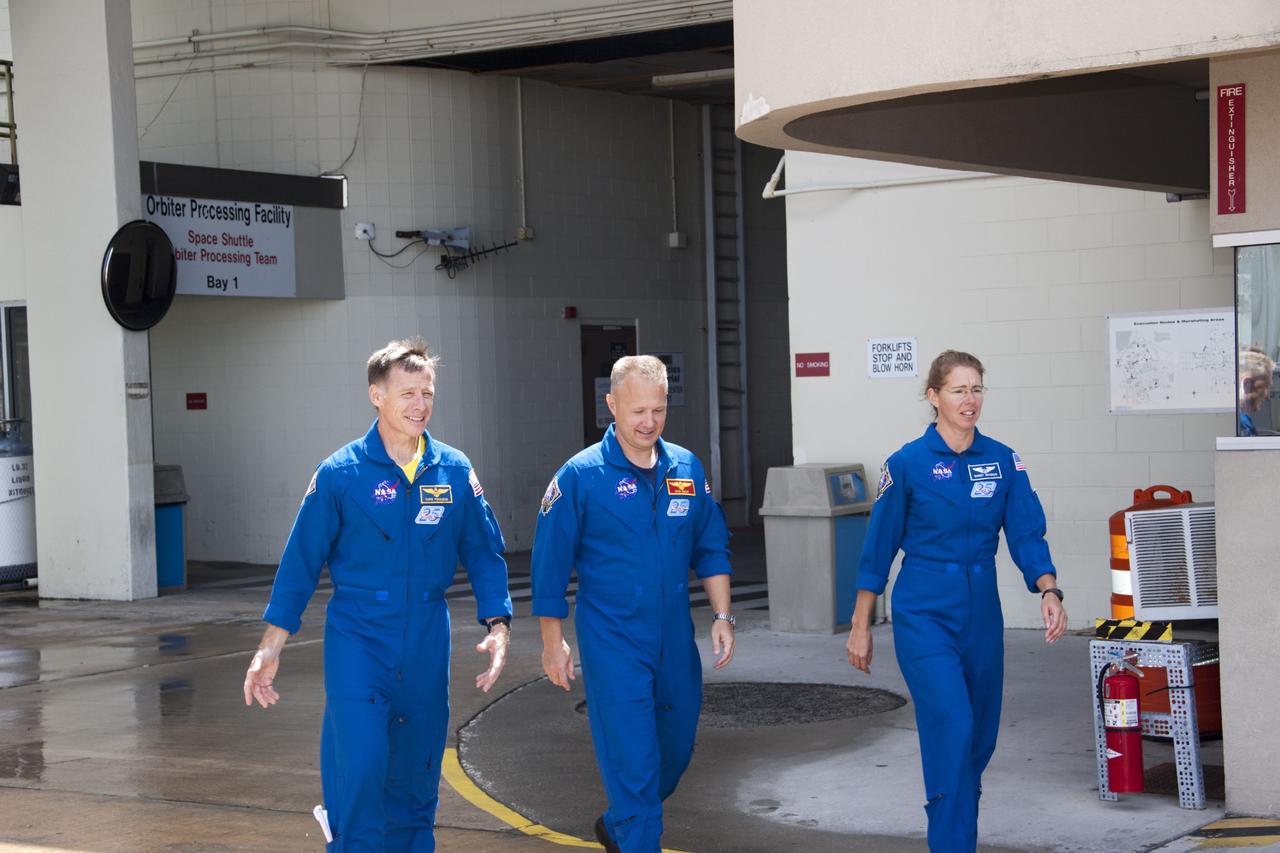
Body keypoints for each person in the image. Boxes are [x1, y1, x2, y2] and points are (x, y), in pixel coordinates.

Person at [242, 338, 513, 852]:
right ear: (376, 396)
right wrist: (269, 647)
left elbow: (484, 551)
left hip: (427, 638)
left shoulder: (453, 470)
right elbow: (301, 562)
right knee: (362, 768)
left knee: (415, 780)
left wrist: (497, 624)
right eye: (408, 393)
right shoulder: (340, 474)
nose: (420, 405)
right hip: (360, 638)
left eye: (427, 393)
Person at [845, 349, 1067, 853]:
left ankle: (955, 814)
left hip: (981, 611)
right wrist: (860, 625)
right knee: (953, 723)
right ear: (933, 397)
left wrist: (1048, 588)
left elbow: (1028, 535)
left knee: (979, 737)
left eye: (976, 389)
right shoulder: (906, 465)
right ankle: (952, 841)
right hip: (924, 610)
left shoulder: (1003, 461)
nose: (969, 400)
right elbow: (876, 552)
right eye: (958, 390)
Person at [531, 355, 735, 853]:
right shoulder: (581, 476)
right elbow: (550, 569)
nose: (648, 423)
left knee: (676, 751)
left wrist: (723, 615)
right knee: (635, 763)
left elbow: (711, 544)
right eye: (637, 411)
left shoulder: (685, 467)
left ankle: (620, 823)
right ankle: (635, 832)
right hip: (613, 641)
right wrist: (553, 644)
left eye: (658, 410)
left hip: (673, 638)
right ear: (611, 407)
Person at [1238, 346, 1275, 436]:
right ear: (1247, 384)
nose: (1267, 396)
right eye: (1265, 387)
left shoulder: (1238, 420)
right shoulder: (1242, 424)